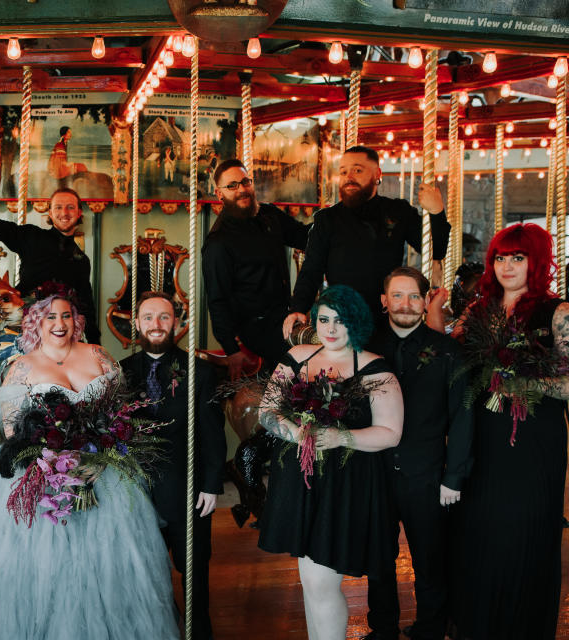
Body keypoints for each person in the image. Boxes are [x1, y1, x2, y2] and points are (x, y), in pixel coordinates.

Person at [0, 292, 178, 639]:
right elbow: (12, 430)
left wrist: (101, 459)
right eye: (50, 317)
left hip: (103, 476)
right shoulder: (22, 367)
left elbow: (120, 413)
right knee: (48, 569)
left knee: (107, 567)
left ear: (76, 321)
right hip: (46, 478)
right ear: (37, 322)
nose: (59, 324)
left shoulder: (99, 356)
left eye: (66, 316)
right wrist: (54, 466)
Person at [257, 284, 403, 639]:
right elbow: (266, 412)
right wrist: (298, 433)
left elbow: (391, 432)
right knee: (311, 582)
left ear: (357, 323)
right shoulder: (297, 357)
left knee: (321, 581)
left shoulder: (377, 370)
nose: (331, 328)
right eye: (324, 319)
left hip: (346, 486)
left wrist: (342, 437)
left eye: (342, 320)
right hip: (301, 481)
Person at [451, 223, 569, 639]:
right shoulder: (478, 311)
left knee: (527, 527)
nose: (506, 266)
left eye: (517, 257)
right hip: (484, 433)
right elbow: (453, 361)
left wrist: (523, 381)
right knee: (482, 526)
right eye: (500, 257)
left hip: (535, 436)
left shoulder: (557, 312)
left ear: (535, 261)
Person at [362, 267, 473, 640]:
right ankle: (382, 629)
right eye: (397, 295)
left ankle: (430, 628)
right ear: (384, 301)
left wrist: (453, 475)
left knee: (430, 558)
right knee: (378, 558)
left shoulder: (447, 350)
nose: (406, 304)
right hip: (374, 472)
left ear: (427, 301)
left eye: (414, 296)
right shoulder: (365, 346)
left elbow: (462, 415)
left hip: (426, 474)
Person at [120, 292, 226, 640]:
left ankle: (200, 634)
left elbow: (212, 432)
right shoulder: (121, 372)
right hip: (135, 491)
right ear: (136, 323)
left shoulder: (201, 372)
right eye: (148, 317)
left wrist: (211, 483)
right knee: (143, 573)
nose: (156, 325)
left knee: (194, 571)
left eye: (164, 317)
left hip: (185, 487)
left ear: (177, 324)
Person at [283, 145, 450, 337]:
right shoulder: (327, 219)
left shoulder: (397, 211)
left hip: (387, 316)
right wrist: (298, 307)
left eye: (357, 170)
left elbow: (436, 249)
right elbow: (311, 270)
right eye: (343, 171)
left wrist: (437, 212)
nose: (349, 177)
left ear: (377, 173)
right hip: (342, 318)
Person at [0, 188, 101, 344]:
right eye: (58, 207)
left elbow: (86, 303)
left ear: (79, 213)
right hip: (26, 320)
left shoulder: (81, 260)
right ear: (49, 213)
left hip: (58, 327)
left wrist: (96, 344)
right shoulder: (32, 237)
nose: (64, 212)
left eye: (70, 207)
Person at [202, 158, 310, 378]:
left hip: (284, 315)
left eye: (245, 182)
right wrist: (231, 349)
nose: (242, 189)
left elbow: (304, 237)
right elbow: (217, 300)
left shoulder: (269, 215)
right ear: (219, 193)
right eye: (232, 186)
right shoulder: (218, 242)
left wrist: (330, 222)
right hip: (255, 326)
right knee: (304, 360)